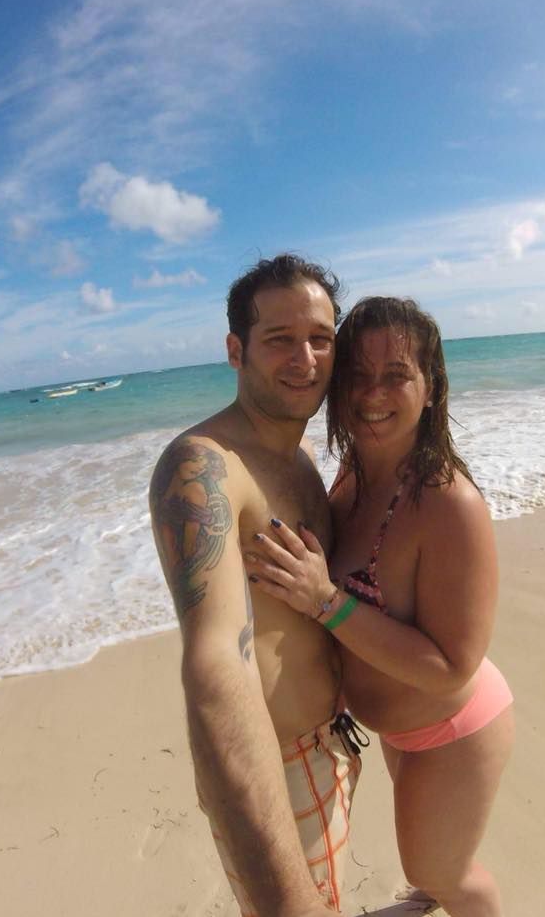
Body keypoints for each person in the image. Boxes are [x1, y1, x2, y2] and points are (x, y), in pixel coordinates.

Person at [246, 296, 515, 917]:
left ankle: (440, 887)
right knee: (432, 853)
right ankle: (429, 893)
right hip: (398, 726)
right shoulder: (351, 477)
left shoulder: (448, 504)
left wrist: (325, 601)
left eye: (396, 374)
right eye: (358, 375)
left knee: (443, 869)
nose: (373, 393)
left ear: (431, 387)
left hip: (453, 727)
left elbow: (451, 667)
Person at [149, 255, 362, 917]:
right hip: (276, 774)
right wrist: (285, 897)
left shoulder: (300, 458)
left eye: (320, 338)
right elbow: (216, 662)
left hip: (330, 746)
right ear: (236, 350)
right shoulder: (203, 467)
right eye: (279, 339)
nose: (306, 359)